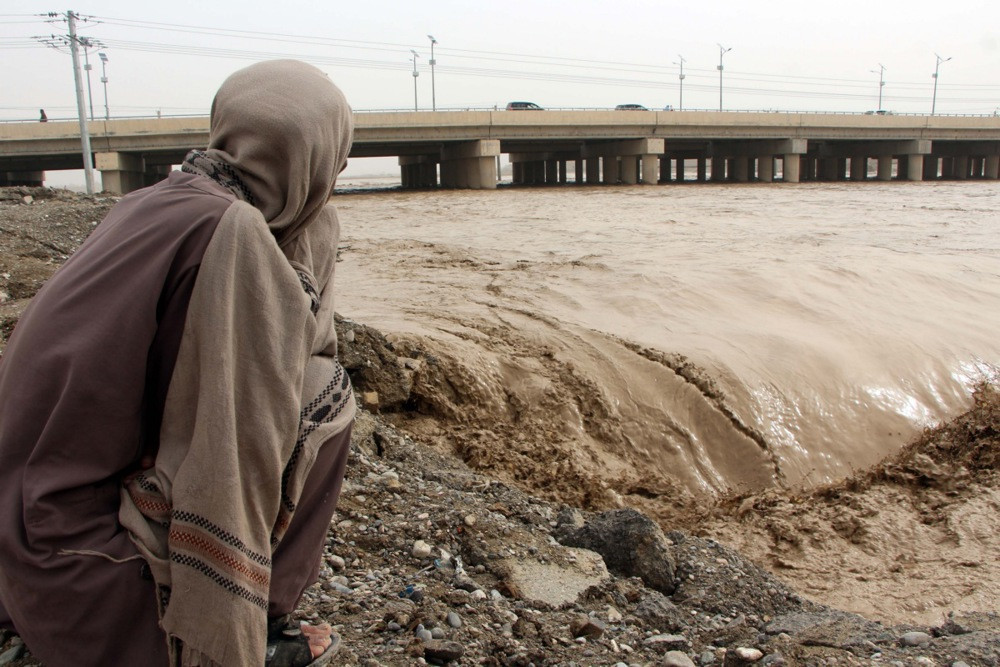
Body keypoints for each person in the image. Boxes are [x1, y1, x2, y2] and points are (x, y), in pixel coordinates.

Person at [0, 60, 356, 667]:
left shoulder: (154, 202)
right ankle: (236, 626)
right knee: (325, 398)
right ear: (316, 159)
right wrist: (227, 630)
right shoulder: (233, 234)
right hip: (81, 573)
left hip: (19, 538)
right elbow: (236, 454)